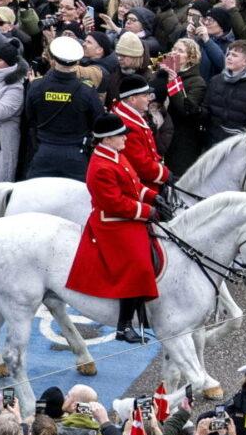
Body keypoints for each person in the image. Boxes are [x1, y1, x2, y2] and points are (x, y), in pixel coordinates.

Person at [66, 115, 159, 342]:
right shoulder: (100, 166)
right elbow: (115, 203)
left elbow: (135, 185)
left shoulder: (116, 155)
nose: (125, 137)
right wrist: (147, 211)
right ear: (107, 140)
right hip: (111, 222)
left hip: (123, 215)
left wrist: (156, 197)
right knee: (138, 265)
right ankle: (124, 325)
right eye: (121, 134)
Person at [22, 34, 105, 181]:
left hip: (43, 151)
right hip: (75, 155)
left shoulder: (37, 85)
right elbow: (98, 122)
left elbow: (30, 118)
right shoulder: (86, 90)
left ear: (53, 58)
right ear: (77, 61)